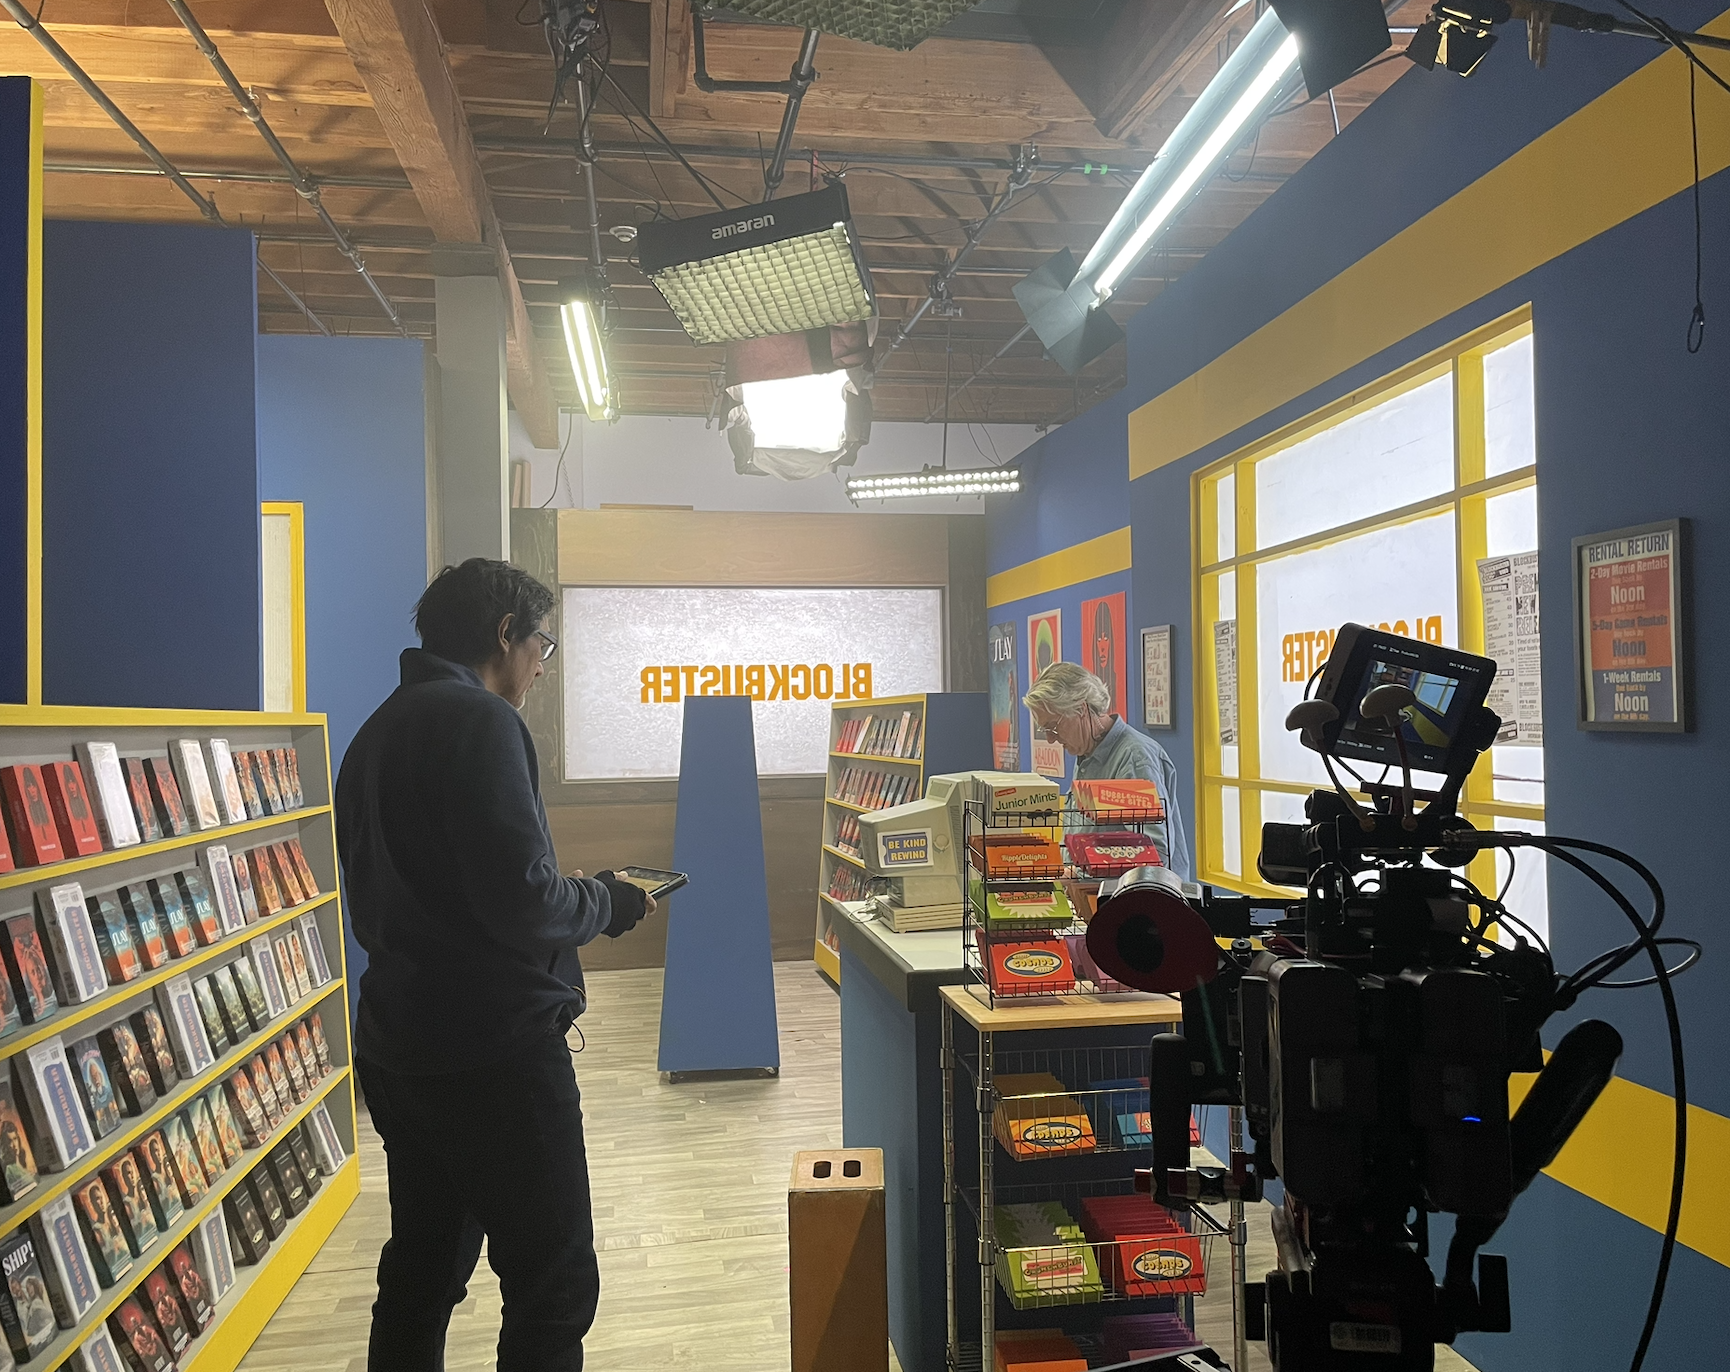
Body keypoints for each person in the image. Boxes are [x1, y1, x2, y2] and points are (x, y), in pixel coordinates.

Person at [337, 557, 655, 1372]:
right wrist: (609, 902)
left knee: (422, 1269)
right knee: (552, 1285)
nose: (543, 668)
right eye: (542, 645)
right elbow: (527, 901)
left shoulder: (373, 733)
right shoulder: (482, 722)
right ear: (505, 634)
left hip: (399, 1044)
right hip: (495, 1054)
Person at [1024, 661, 1193, 880]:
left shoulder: (1134, 758)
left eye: (1053, 726)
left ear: (1081, 709)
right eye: (1044, 729)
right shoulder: (1086, 751)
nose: (1049, 738)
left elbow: (1156, 856)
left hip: (1135, 904)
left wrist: (1079, 875)